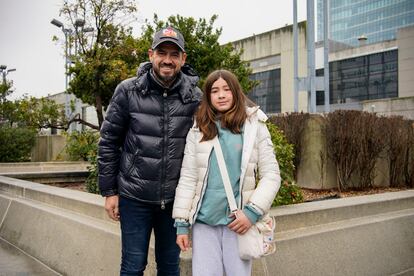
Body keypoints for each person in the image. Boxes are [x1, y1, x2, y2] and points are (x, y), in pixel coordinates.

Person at [98, 26, 202, 275]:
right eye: (162, 52)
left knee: (169, 267)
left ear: (183, 59)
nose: (168, 60)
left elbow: (207, 146)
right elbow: (109, 141)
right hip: (135, 199)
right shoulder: (128, 90)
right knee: (133, 267)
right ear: (151, 54)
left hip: (176, 202)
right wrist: (110, 191)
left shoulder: (195, 97)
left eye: (174, 54)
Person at [172, 69, 281, 276]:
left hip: (239, 224)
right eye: (214, 91)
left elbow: (271, 174)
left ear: (236, 92)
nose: (221, 95)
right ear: (208, 96)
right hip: (203, 223)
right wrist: (181, 224)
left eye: (226, 89)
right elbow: (188, 177)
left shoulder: (255, 125)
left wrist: (251, 213)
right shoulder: (198, 128)